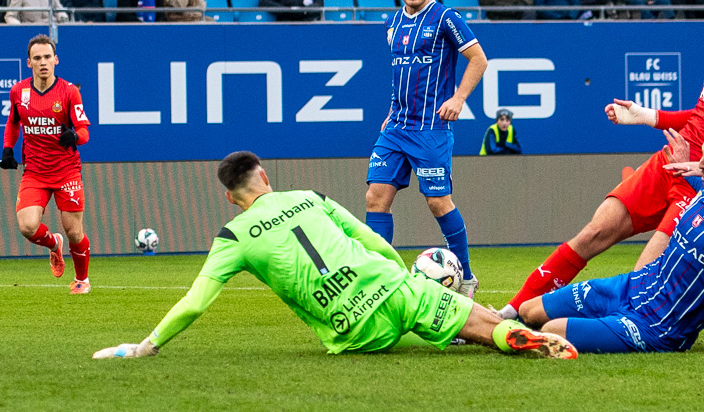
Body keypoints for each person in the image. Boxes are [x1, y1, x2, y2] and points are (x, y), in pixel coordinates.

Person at [499, 0, 704, 331]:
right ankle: (510, 312)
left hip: (703, 185)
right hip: (668, 162)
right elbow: (701, 115)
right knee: (593, 233)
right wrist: (647, 116)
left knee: (643, 278)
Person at [94, 150, 576, 361]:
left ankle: (502, 332)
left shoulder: (232, 236)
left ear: (230, 197)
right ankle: (508, 333)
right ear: (265, 177)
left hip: (354, 329)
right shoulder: (309, 196)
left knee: (405, 322)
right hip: (391, 286)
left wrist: (147, 345)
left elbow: (195, 302)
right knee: (473, 319)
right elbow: (373, 241)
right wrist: (403, 278)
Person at [518, 123, 704, 357]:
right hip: (629, 288)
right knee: (529, 310)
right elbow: (693, 179)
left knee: (552, 330)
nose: (700, 164)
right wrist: (681, 162)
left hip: (657, 326)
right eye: (702, 155)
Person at [365, 0, 489, 298]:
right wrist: (391, 110)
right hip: (396, 126)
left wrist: (459, 99)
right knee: (376, 197)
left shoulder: (446, 17)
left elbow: (478, 59)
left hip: (430, 128)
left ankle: (466, 278)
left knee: (438, 202)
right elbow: (401, 74)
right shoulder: (392, 24)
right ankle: (379, 278)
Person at [0, 35, 92, 294]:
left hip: (66, 171)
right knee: (27, 226)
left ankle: (82, 280)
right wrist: (7, 149)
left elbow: (84, 131)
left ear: (56, 60)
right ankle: (53, 244)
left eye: (47, 57)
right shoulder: (19, 92)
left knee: (74, 231)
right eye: (37, 58)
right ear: (29, 62)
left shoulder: (69, 92)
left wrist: (74, 136)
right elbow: (13, 122)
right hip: (35, 172)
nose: (43, 62)